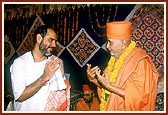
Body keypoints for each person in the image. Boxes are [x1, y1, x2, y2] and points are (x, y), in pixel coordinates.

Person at [86, 21, 159, 111]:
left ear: (123, 43)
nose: (107, 46)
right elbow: (107, 91)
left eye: (110, 42)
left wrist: (110, 87)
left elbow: (140, 97)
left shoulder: (140, 62)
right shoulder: (115, 59)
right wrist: (93, 80)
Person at [9, 25, 71, 111]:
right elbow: (20, 96)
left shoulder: (55, 62)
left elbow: (60, 97)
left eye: (55, 41)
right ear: (39, 38)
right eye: (51, 40)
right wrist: (44, 77)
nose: (54, 45)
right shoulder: (20, 62)